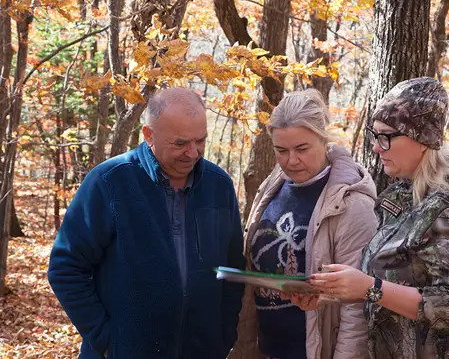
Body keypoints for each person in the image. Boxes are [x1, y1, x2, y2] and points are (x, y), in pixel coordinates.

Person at [48, 87, 245, 359]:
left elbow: (232, 270)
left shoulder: (219, 185)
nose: (193, 153)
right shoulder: (110, 182)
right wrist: (106, 341)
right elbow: (66, 267)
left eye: (200, 141)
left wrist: (224, 337)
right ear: (148, 135)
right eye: (180, 143)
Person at [298, 78, 449, 358]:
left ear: (422, 140)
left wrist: (369, 288)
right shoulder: (398, 195)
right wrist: (329, 294)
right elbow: (387, 281)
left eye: (386, 136)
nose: (377, 147)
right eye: (375, 136)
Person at [230, 89, 378, 359]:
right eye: (281, 151)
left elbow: (356, 311)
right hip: (267, 350)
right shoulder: (272, 186)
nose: (291, 160)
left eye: (302, 149)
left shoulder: (351, 203)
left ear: (323, 140)